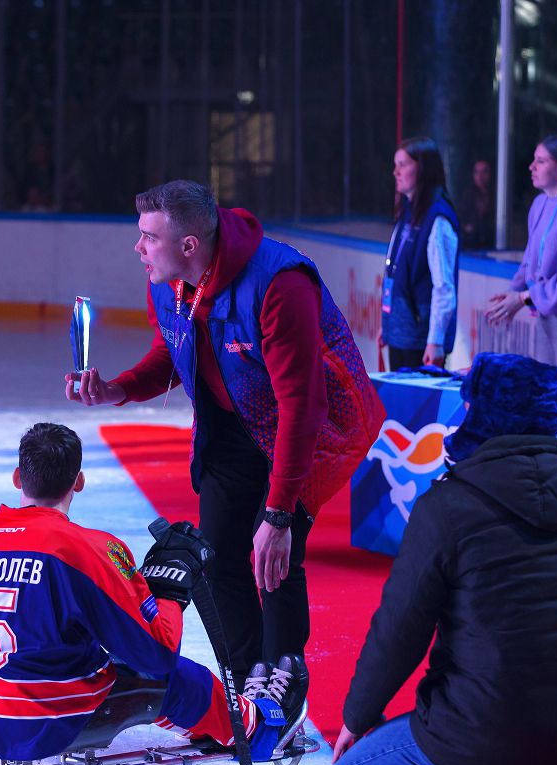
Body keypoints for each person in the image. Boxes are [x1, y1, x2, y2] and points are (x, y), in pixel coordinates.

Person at [63, 180, 383, 692]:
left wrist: (279, 515)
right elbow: (172, 353)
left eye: (149, 237)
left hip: (306, 429)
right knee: (216, 556)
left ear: (189, 245)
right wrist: (117, 390)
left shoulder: (280, 285)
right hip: (228, 426)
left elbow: (302, 406)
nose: (138, 247)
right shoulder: (166, 281)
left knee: (274, 557)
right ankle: (247, 681)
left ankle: (285, 679)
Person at [324, 353, 557, 765]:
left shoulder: (447, 505)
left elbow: (399, 630)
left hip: (485, 721)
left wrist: (357, 717)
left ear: (480, 413)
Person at [0, 422, 305, 763]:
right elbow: (157, 655)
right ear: (79, 481)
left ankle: (210, 727)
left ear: (17, 477)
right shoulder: (88, 548)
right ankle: (259, 730)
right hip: (62, 720)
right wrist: (168, 589)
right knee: (177, 678)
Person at [487, 135, 557, 381]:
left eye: (541, 161)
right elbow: (530, 259)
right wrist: (513, 293)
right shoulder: (539, 204)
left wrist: (524, 297)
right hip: (544, 313)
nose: (531, 167)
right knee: (545, 387)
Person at [381, 137, 460, 370]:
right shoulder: (408, 211)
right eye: (395, 165)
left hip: (421, 340)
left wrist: (435, 341)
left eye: (402, 165)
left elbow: (444, 287)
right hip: (400, 333)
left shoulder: (438, 219)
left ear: (423, 168)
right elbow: (394, 273)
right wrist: (387, 325)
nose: (395, 172)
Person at [459, 158, 496, 250]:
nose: (480, 176)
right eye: (477, 172)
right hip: (470, 247)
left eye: (484, 172)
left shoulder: (498, 197)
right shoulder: (467, 196)